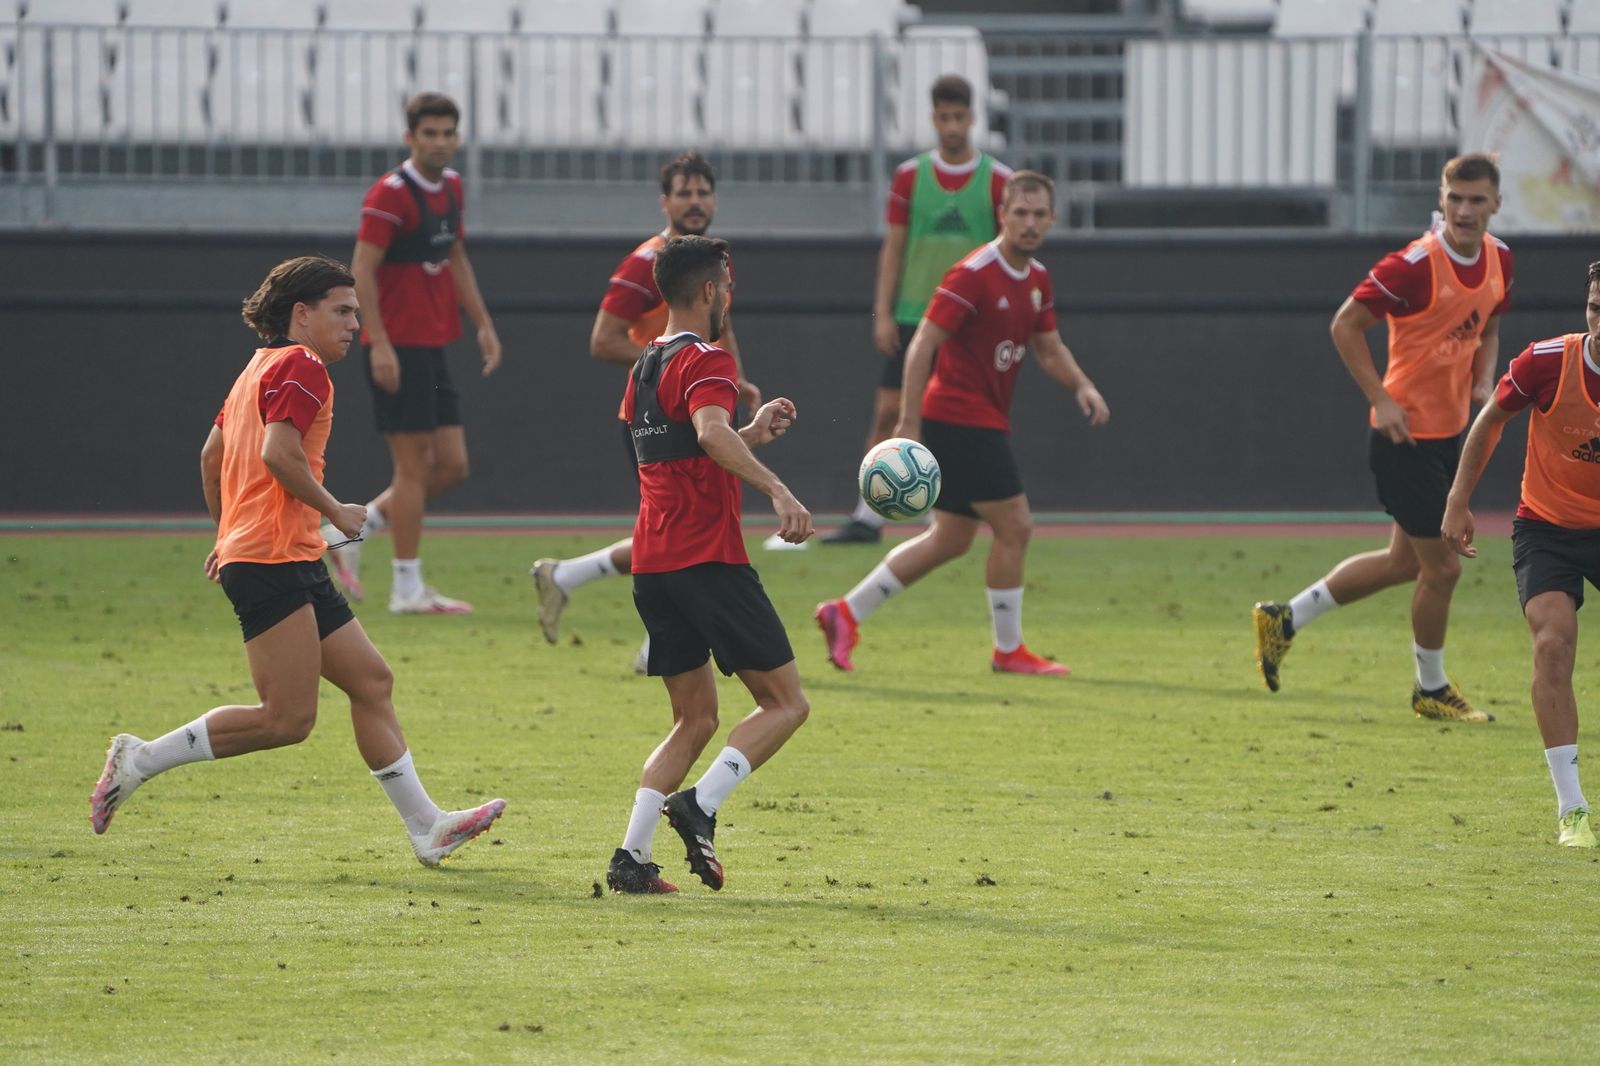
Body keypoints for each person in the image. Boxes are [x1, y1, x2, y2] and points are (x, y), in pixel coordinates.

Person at [88, 256, 506, 864]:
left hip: (281, 554)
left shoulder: (255, 369)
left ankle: (427, 827)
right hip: (272, 560)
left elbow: (212, 458)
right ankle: (141, 757)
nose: (355, 324)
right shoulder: (303, 365)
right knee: (286, 720)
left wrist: (229, 533)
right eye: (342, 311)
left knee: (371, 682)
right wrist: (335, 511)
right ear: (301, 314)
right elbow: (280, 453)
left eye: (358, 313)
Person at [814, 171, 1109, 675]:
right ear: (1002, 215)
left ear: (1053, 219)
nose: (1030, 223)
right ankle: (1009, 650)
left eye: (1040, 215)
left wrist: (1082, 384)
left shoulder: (1036, 278)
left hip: (981, 418)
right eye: (1021, 213)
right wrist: (907, 423)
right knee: (1015, 527)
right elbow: (923, 343)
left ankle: (845, 612)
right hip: (957, 416)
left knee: (950, 538)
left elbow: (1049, 347)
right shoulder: (973, 273)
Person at [1253, 153, 1512, 723]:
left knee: (1403, 564)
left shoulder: (1500, 260)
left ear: (1497, 203)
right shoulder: (1414, 265)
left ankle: (1285, 618)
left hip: (1449, 436)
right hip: (1405, 439)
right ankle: (1431, 688)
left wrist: (1483, 378)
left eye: (1476, 199)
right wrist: (1381, 399)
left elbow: (1489, 323)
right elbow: (1345, 323)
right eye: (1455, 198)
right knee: (1442, 568)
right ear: (1441, 199)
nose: (1464, 210)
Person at [602, 235, 813, 894]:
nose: (730, 297)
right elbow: (709, 433)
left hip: (654, 568)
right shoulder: (709, 359)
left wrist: (751, 434)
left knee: (694, 719)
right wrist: (776, 486)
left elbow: (676, 455)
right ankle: (700, 804)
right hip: (708, 561)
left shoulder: (643, 369)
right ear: (710, 292)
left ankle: (631, 860)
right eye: (729, 286)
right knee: (785, 703)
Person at [530, 151, 758, 671]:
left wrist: (731, 376)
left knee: (681, 529)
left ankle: (571, 580)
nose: (695, 202)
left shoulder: (712, 260)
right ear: (665, 201)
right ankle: (657, 640)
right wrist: (677, 366)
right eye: (685, 193)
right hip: (656, 414)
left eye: (703, 192)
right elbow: (603, 340)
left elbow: (720, 324)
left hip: (695, 406)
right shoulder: (645, 264)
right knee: (682, 532)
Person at [1441, 263, 1600, 847]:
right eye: (1594, 307)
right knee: (1552, 641)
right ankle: (1573, 809)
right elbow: (1490, 421)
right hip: (1548, 528)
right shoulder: (1548, 361)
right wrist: (1459, 500)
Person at [326, 92, 502, 615]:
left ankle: (341, 537)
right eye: (430, 133)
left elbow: (456, 257)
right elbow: (361, 272)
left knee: (451, 465)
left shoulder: (451, 187)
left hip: (433, 343)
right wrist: (377, 342)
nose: (440, 141)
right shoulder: (390, 194)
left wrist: (484, 323)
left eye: (448, 132)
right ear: (410, 138)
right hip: (397, 345)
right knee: (412, 467)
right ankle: (406, 589)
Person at [818, 74, 1011, 546]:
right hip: (912, 314)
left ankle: (940, 516)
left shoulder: (997, 180)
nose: (951, 126)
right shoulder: (910, 176)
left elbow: (1004, 256)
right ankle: (868, 515)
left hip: (969, 325)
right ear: (933, 119)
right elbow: (895, 248)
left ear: (971, 118)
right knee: (888, 412)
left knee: (954, 418)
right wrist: (882, 312)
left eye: (958, 117)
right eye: (943, 117)